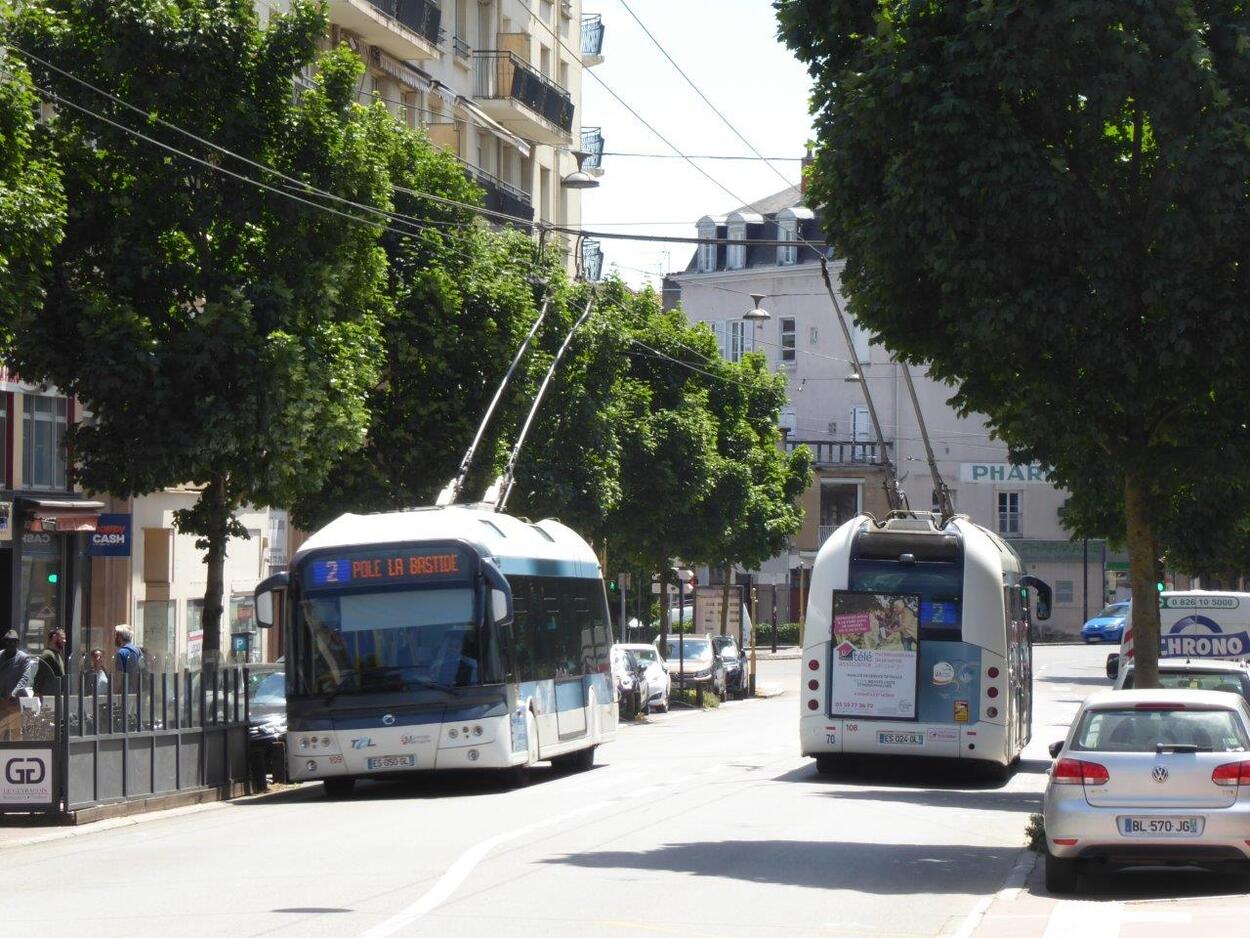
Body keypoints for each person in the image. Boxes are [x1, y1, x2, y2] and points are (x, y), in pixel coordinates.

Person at [0, 629, 37, 698]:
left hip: (17, 697)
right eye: (8, 642)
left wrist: (14, 692)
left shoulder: (23, 658)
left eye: (13, 642)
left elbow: (25, 677)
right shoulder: (0, 655)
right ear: (5, 643)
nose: (11, 644)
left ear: (17, 643)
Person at [33, 626, 66, 697]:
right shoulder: (47, 655)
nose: (64, 641)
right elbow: (40, 677)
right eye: (62, 638)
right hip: (49, 697)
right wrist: (36, 692)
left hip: (57, 696)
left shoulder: (57, 655)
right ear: (54, 637)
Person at [113, 623, 145, 688]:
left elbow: (119, 678)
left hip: (126, 692)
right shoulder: (138, 650)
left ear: (120, 636)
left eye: (116, 635)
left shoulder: (121, 653)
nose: (115, 638)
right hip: (138, 690)